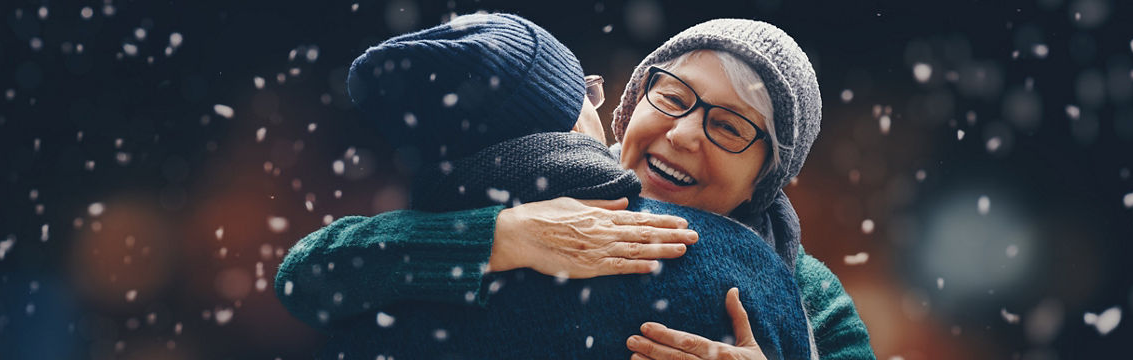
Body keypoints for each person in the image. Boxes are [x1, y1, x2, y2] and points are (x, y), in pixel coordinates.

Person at [277, 15, 875, 360]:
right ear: (631, 102)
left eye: (728, 126)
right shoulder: (529, 189)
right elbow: (308, 277)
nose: (685, 134)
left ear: (765, 177)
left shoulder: (804, 288)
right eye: (671, 97)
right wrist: (500, 237)